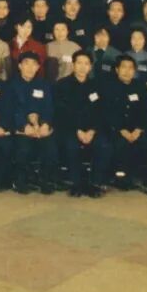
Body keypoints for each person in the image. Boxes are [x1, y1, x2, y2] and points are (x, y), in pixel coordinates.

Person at [54, 51, 111, 197]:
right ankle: (76, 183)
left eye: (86, 63)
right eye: (79, 63)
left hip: (92, 129)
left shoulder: (97, 86)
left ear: (90, 67)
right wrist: (78, 130)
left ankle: (95, 183)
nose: (82, 67)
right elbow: (61, 112)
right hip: (70, 129)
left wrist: (92, 131)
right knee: (71, 145)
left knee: (103, 145)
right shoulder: (62, 85)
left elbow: (102, 111)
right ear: (73, 65)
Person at [5, 52, 57, 194]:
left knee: (50, 148)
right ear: (19, 66)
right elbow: (12, 108)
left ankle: (44, 179)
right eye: (26, 63)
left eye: (34, 64)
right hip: (20, 127)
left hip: (41, 127)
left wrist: (45, 124)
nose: (30, 67)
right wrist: (24, 126)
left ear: (38, 67)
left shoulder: (44, 84)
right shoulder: (11, 85)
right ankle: (20, 180)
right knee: (24, 148)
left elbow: (48, 107)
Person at [103, 56, 147, 189]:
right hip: (116, 129)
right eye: (123, 67)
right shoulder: (109, 87)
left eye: (130, 68)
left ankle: (139, 176)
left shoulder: (140, 86)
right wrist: (122, 130)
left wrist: (138, 129)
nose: (127, 71)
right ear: (117, 69)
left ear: (134, 71)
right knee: (120, 144)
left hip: (137, 129)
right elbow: (107, 112)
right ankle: (120, 176)